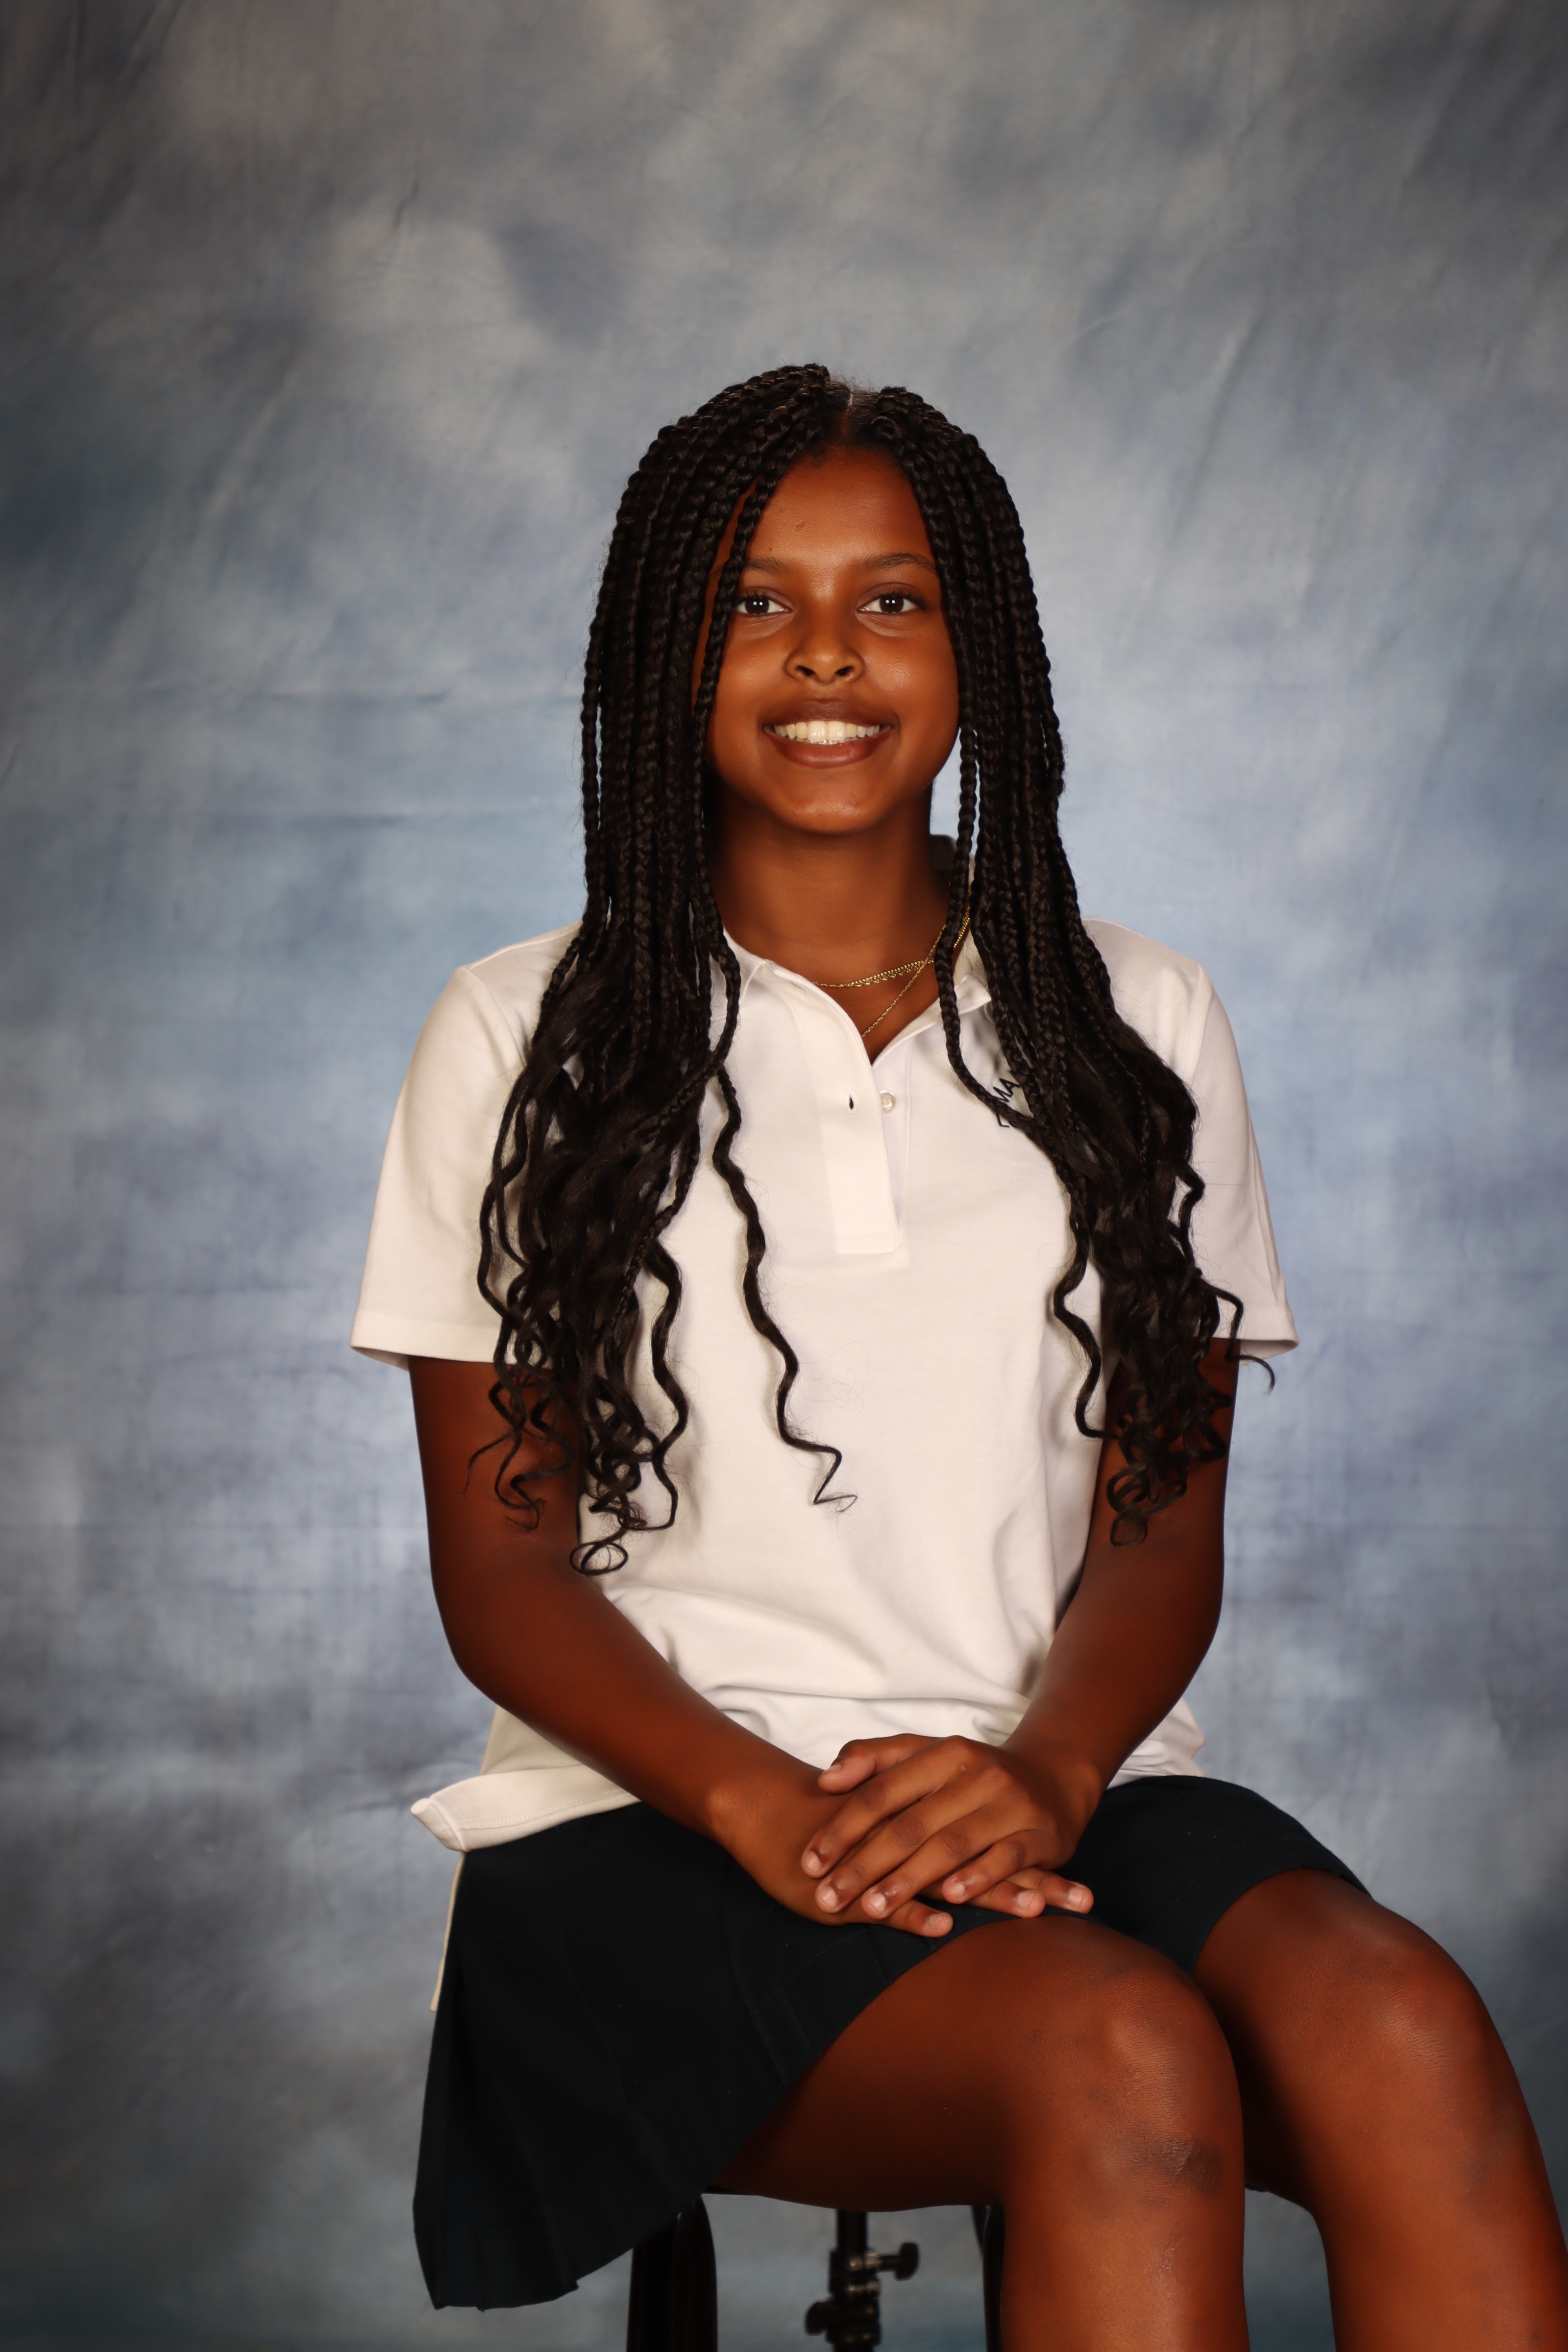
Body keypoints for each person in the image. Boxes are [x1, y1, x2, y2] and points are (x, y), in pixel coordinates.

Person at [352, 367, 1568, 2351]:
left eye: (893, 600)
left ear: (976, 650)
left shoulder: (1136, 1024)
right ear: (662, 656)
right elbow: (503, 1576)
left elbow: (1159, 1528)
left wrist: (1046, 1770)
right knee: (1117, 2055)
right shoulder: (520, 1036)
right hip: (656, 1818)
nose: (826, 651)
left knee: (1404, 2028)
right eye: (753, 600)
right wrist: (770, 1807)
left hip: (1066, 1772)